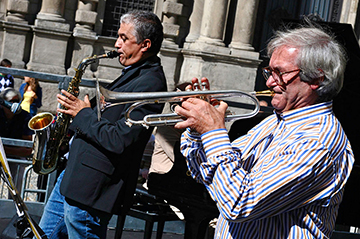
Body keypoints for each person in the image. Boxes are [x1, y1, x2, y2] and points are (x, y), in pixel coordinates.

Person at [174, 26, 355, 238]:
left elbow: (239, 203)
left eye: (281, 73)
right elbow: (208, 174)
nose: (269, 82)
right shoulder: (274, 122)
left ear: (316, 79)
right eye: (270, 72)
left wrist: (213, 131)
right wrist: (198, 131)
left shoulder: (317, 141)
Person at [38, 10, 167, 239]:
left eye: (124, 38)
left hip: (91, 190)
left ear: (145, 44)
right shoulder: (133, 73)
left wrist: (82, 113)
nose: (117, 44)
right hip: (73, 179)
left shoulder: (150, 84)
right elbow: (105, 119)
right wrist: (70, 120)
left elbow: (120, 139)